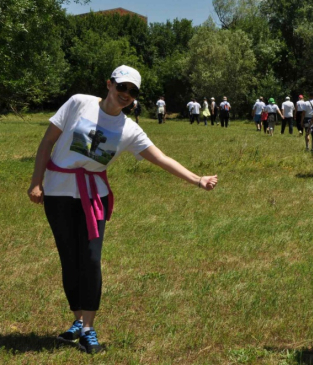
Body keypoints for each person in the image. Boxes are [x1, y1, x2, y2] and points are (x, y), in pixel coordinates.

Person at [27, 65, 218, 354]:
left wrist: (197, 179)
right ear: (109, 84)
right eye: (122, 87)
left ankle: (89, 329)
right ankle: (77, 321)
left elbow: (161, 158)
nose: (126, 94)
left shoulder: (128, 129)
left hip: (94, 197)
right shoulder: (79, 102)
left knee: (90, 259)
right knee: (69, 258)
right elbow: (47, 142)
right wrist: (36, 182)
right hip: (58, 193)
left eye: (132, 91)